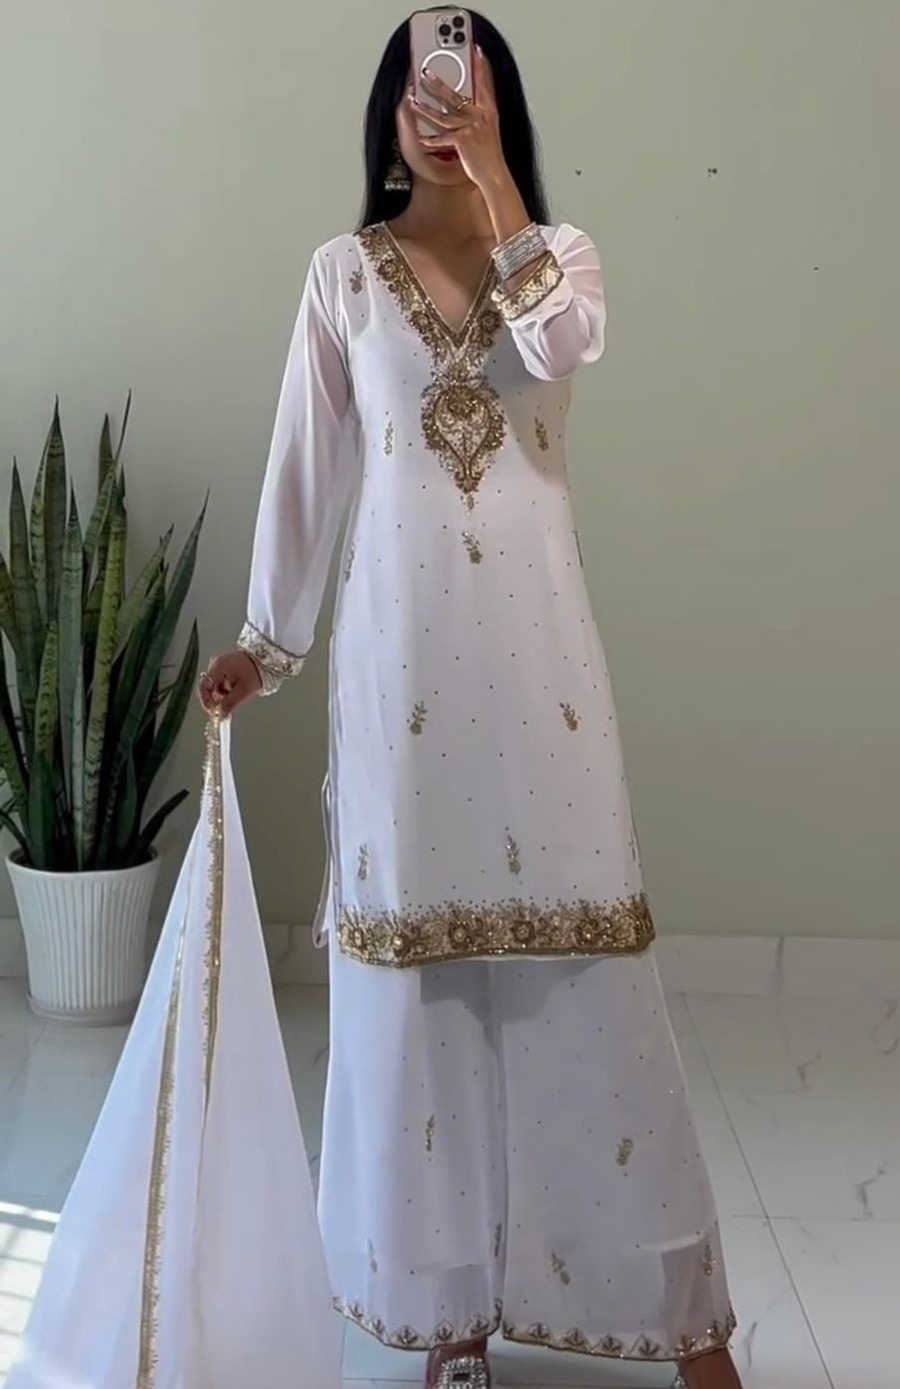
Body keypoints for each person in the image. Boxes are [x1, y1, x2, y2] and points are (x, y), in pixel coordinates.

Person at [199, 11, 743, 1389]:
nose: (438, 105)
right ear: (386, 112)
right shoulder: (343, 274)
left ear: (502, 104)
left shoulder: (562, 260)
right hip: (404, 678)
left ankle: (689, 1323)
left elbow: (559, 348)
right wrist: (267, 639)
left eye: (466, 82)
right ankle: (451, 1324)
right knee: (420, 992)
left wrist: (499, 188)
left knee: (595, 981)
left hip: (545, 673)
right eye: (418, 87)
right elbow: (309, 469)